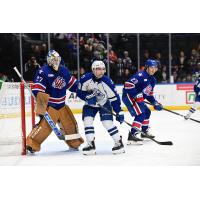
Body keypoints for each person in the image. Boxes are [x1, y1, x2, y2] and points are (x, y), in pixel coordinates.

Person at [26, 50, 84, 153]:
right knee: (44, 128)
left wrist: (83, 89)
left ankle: (74, 143)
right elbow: (37, 90)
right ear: (49, 60)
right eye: (54, 60)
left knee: (70, 125)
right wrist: (42, 106)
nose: (56, 62)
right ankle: (32, 144)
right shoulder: (43, 71)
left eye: (57, 60)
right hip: (50, 107)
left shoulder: (64, 71)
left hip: (62, 105)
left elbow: (74, 85)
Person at [77, 60, 125, 155]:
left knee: (107, 123)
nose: (101, 72)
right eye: (99, 69)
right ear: (93, 69)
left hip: (104, 103)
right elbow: (79, 92)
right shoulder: (85, 79)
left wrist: (119, 111)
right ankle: (91, 144)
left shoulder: (107, 82)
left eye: (103, 69)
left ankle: (118, 142)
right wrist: (87, 97)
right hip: (90, 105)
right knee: (87, 121)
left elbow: (114, 98)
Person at [122, 59, 163, 145]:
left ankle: (144, 132)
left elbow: (149, 94)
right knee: (141, 114)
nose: (153, 69)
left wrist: (155, 103)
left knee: (147, 112)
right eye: (152, 67)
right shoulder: (140, 75)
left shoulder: (153, 80)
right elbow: (128, 84)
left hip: (137, 98)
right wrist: (136, 95)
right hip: (129, 96)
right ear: (147, 67)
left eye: (155, 68)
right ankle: (132, 135)